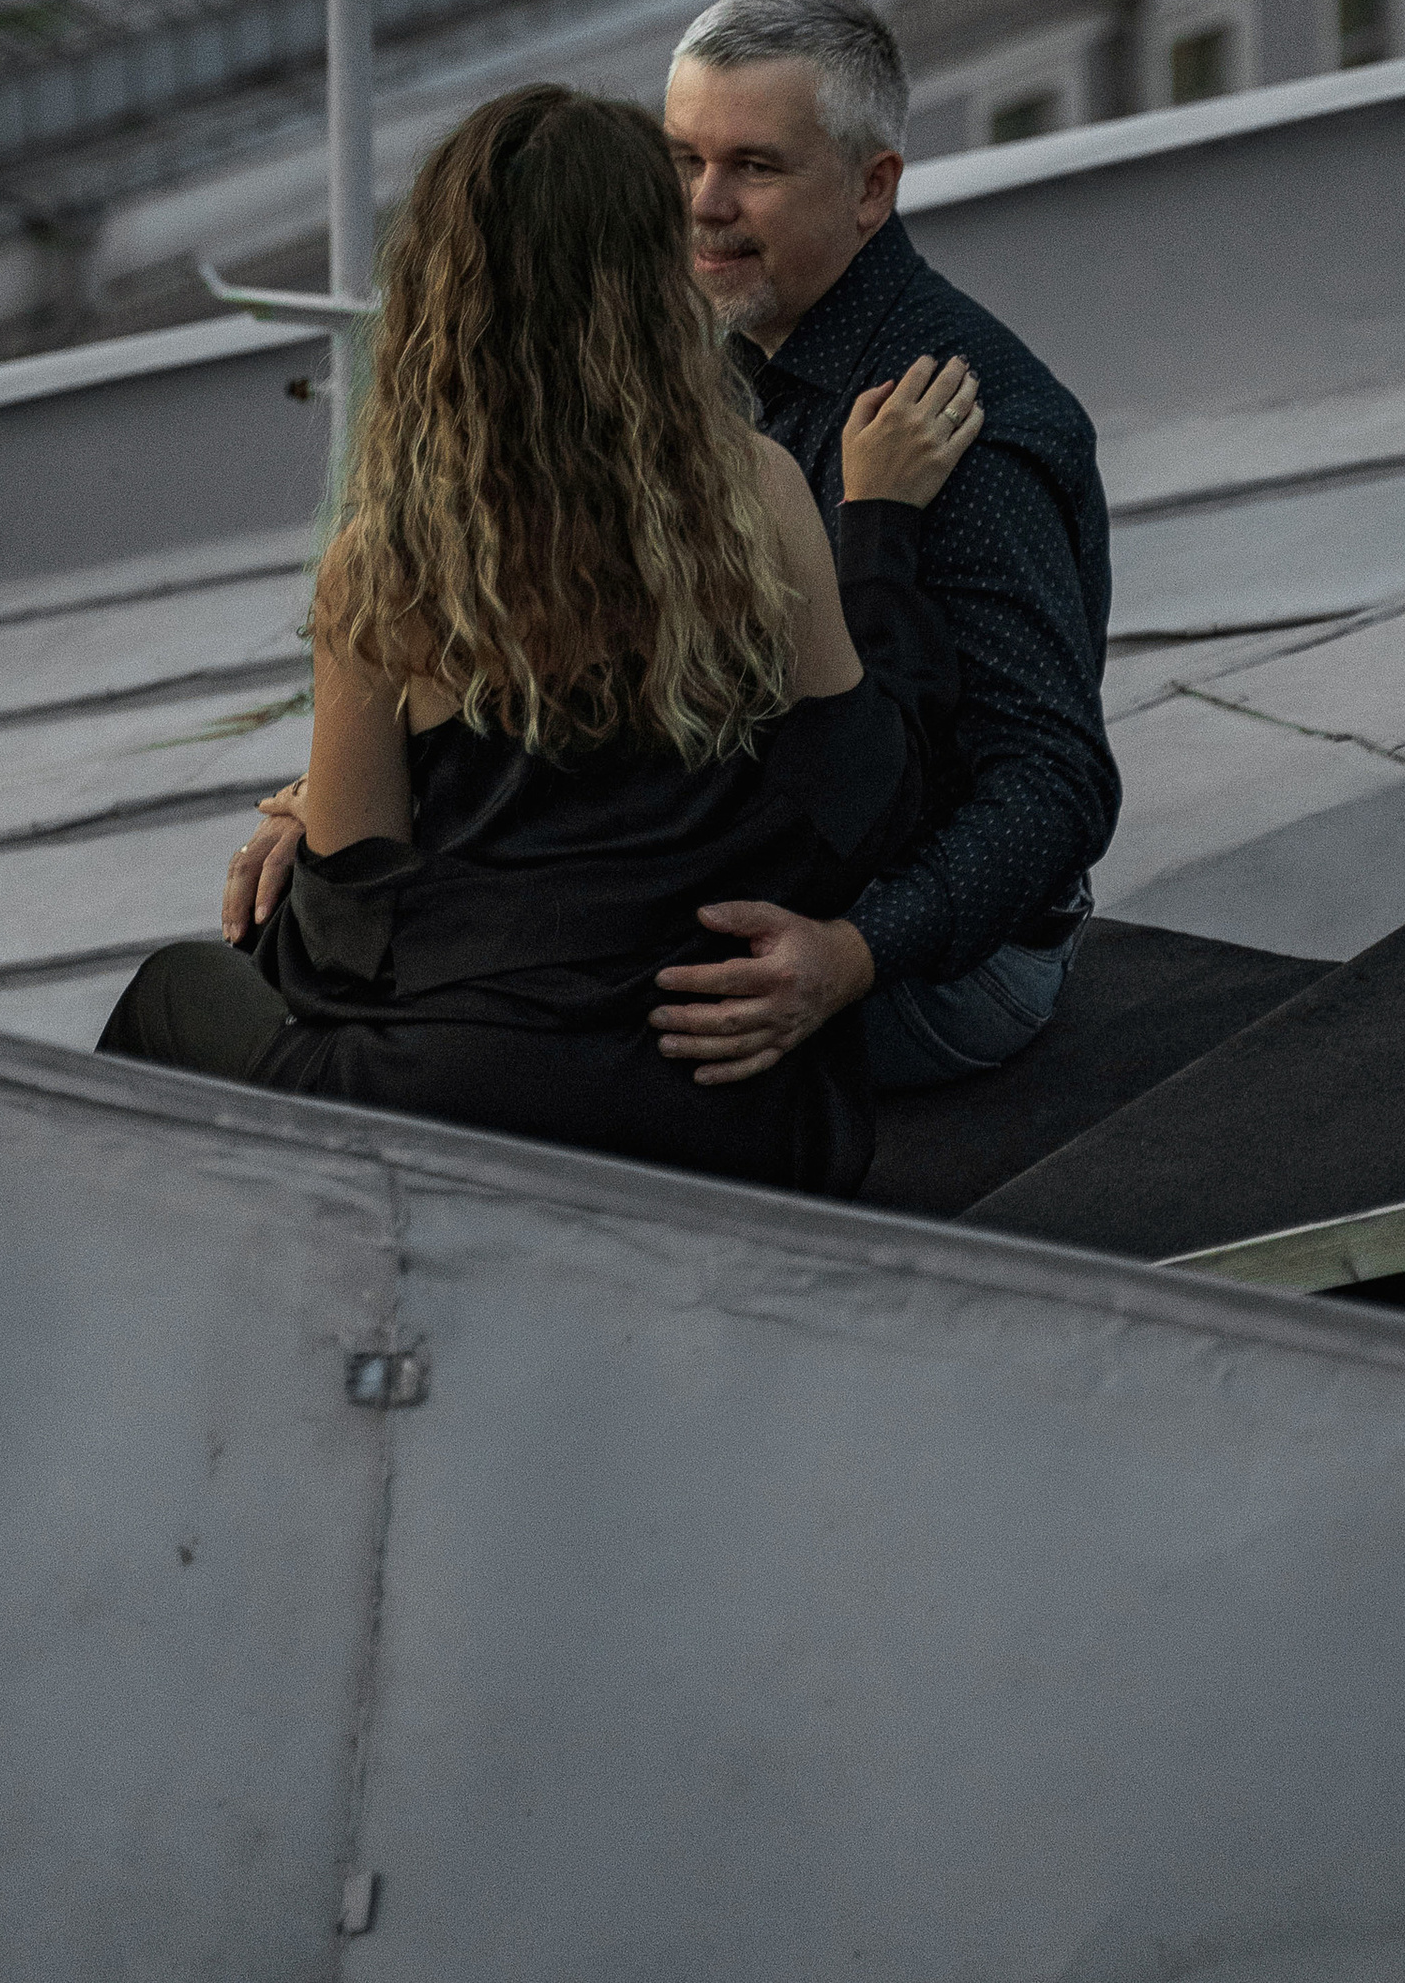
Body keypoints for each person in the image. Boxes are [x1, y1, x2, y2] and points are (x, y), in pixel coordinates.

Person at [106, 84, 981, 1196]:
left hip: (451, 1105)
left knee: (170, 1000)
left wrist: (316, 821)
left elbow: (342, 943)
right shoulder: (749, 490)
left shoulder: (387, 560)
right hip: (723, 1115)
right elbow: (865, 799)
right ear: (655, 282)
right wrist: (881, 524)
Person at [651, 0, 1117, 1096]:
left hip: (936, 971)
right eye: (682, 161)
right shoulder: (703, 355)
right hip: (773, 884)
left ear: (872, 190)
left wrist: (851, 958)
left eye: (754, 167)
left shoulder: (972, 426)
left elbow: (1053, 787)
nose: (704, 205)